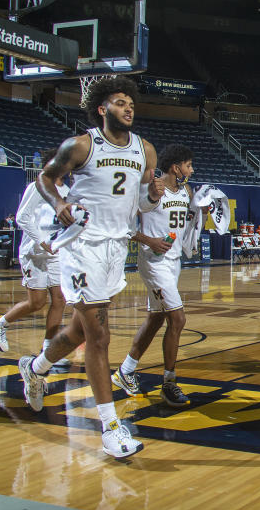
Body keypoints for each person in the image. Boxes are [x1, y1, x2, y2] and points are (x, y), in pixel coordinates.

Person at [19, 75, 160, 458]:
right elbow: (46, 178)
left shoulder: (145, 150)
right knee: (99, 337)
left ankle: (36, 367)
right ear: (101, 109)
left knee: (81, 331)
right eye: (119, 102)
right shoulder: (81, 145)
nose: (128, 107)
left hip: (116, 249)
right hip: (82, 246)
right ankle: (111, 427)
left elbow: (142, 205)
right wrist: (59, 204)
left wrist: (151, 195)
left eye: (130, 102)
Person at [112, 143, 200, 407]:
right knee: (178, 318)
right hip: (152, 261)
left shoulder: (186, 191)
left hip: (173, 262)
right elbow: (126, 226)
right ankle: (169, 383)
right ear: (176, 167)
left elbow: (187, 225)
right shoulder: (151, 188)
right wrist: (149, 240)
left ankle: (125, 371)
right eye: (188, 165)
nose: (191, 170)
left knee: (155, 319)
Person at [0, 148, 69, 364]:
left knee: (60, 299)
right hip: (34, 251)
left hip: (55, 252)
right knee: (37, 302)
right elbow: (22, 218)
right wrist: (42, 241)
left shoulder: (67, 189)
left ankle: (48, 350)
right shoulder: (37, 187)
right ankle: (0, 323)